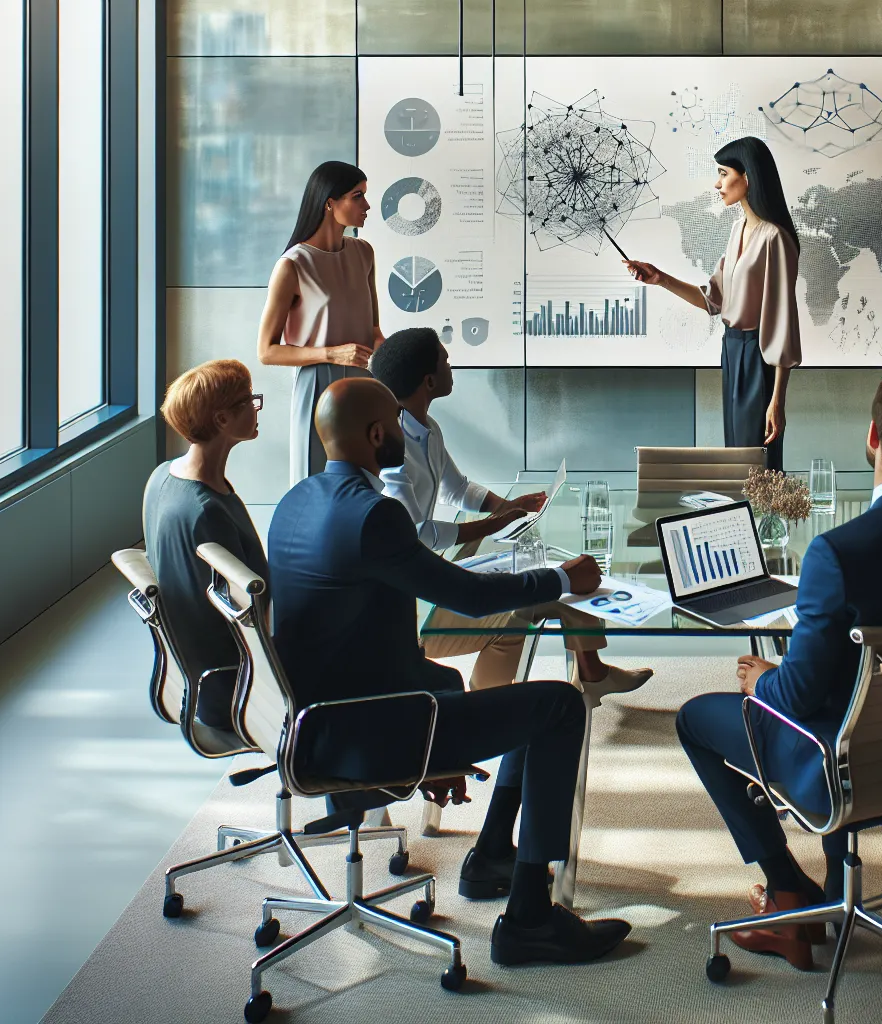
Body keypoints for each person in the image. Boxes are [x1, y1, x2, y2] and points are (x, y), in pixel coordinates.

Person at [264, 377, 630, 965]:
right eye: (395, 430)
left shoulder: (295, 501)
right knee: (560, 706)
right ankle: (530, 920)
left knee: (525, 706)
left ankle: (491, 856)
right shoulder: (373, 516)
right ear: (378, 434)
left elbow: (360, 639)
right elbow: (468, 595)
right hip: (374, 727)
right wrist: (566, 581)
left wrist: (445, 690)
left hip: (319, 718)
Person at [675, 372, 882, 971]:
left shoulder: (838, 552)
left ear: (873, 436)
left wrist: (760, 681)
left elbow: (797, 695)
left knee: (695, 719)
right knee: (845, 695)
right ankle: (825, 891)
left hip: (848, 765)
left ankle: (785, 889)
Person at [367, 327, 653, 699]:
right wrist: (491, 524)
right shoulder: (394, 448)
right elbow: (415, 532)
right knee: (517, 607)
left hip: (429, 573)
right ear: (429, 380)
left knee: (558, 576)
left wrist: (508, 507)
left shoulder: (428, 429)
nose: (452, 364)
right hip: (412, 608)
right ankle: (489, 702)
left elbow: (458, 489)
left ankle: (594, 674)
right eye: (445, 359)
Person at [622, 137, 801, 469]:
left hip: (757, 358)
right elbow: (711, 300)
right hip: (731, 352)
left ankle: (765, 520)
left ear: (748, 177)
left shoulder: (775, 238)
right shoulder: (737, 230)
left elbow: (783, 325)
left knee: (756, 463)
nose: (718, 183)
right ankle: (744, 520)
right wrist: (659, 277)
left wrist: (777, 400)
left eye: (723, 173)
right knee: (735, 459)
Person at [142, 360, 268, 729]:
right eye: (249, 401)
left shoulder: (160, 478)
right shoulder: (207, 511)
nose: (257, 406)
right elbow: (259, 614)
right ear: (222, 420)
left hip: (193, 681)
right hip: (242, 688)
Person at [256, 160, 386, 487]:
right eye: (358, 196)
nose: (367, 205)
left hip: (366, 382)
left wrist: (392, 362)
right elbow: (266, 351)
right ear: (330, 202)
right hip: (318, 385)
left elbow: (373, 332)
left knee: (368, 484)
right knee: (313, 481)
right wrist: (331, 354)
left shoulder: (364, 254)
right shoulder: (292, 266)